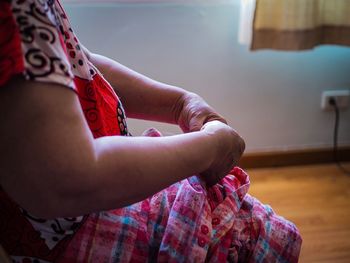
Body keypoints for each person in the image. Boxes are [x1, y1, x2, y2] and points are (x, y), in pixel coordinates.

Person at [0, 0, 301, 262]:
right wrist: (210, 147)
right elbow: (66, 182)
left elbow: (77, 59)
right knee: (255, 235)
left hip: (91, 206)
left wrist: (180, 105)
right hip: (65, 233)